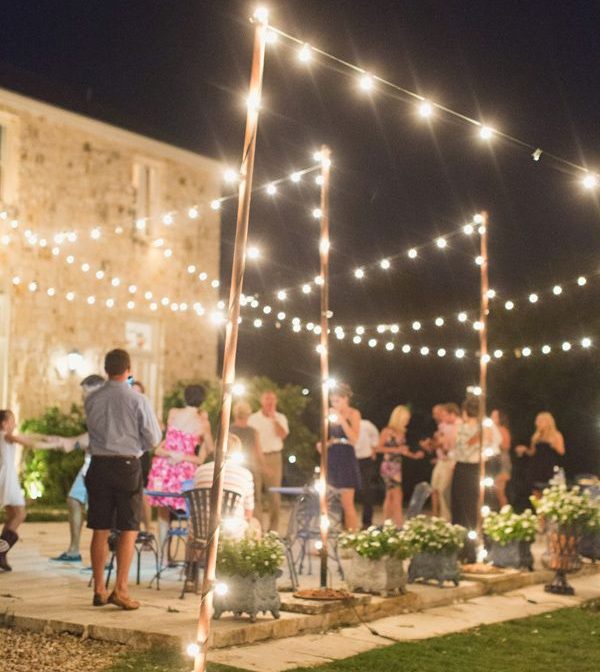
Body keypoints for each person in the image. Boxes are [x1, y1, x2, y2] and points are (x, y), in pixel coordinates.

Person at [84, 348, 162, 610]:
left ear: (106, 369)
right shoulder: (137, 399)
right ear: (128, 370)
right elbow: (153, 438)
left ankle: (99, 589)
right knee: (129, 528)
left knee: (100, 527)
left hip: (98, 464)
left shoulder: (92, 399)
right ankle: (121, 589)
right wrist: (137, 445)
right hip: (127, 465)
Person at [146, 385, 213, 550]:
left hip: (165, 465)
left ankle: (163, 553)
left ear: (185, 397)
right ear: (202, 400)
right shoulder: (202, 422)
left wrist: (172, 453)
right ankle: (190, 552)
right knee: (190, 510)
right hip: (185, 469)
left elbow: (168, 438)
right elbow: (210, 448)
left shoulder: (173, 413)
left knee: (163, 510)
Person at [51, 374, 106, 563]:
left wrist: (71, 442)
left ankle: (104, 560)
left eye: (87, 394)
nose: (84, 399)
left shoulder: (106, 409)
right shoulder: (92, 409)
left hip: (103, 466)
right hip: (89, 463)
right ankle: (74, 550)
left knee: (102, 513)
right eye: (84, 395)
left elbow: (96, 436)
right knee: (74, 499)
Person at [0, 410, 64, 571]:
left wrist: (44, 437)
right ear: (4, 424)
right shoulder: (6, 436)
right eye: (12, 421)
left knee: (12, 516)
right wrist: (54, 445)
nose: (15, 424)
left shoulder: (5, 436)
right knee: (20, 514)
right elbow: (30, 443)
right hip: (8, 480)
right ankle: (1, 551)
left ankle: (2, 554)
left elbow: (28, 436)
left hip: (5, 479)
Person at [193, 434, 257, 539]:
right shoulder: (245, 475)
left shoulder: (200, 471)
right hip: (231, 533)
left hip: (201, 529)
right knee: (255, 525)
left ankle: (194, 550)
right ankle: (240, 550)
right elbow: (248, 512)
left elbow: (196, 502)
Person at [248, 391, 289, 532]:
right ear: (261, 401)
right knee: (255, 494)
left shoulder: (281, 417)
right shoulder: (253, 419)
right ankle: (257, 528)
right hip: (256, 457)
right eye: (267, 399)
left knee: (274, 495)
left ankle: (273, 530)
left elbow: (282, 435)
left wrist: (274, 420)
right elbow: (251, 440)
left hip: (273, 457)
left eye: (272, 399)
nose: (270, 402)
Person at [377, 405, 424, 527]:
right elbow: (378, 448)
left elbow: (402, 451)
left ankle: (387, 523)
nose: (407, 421)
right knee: (397, 495)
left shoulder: (402, 432)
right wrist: (396, 449)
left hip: (397, 466)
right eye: (405, 419)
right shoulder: (387, 431)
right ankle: (399, 525)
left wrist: (414, 455)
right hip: (389, 466)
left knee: (390, 495)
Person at [451, 397, 483, 564]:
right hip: (471, 469)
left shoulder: (464, 427)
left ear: (465, 412)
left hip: (464, 468)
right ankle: (467, 549)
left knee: (460, 509)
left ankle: (463, 549)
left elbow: (459, 448)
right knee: (469, 509)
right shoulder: (481, 428)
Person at [326, 384, 361, 531]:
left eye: (337, 401)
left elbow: (354, 438)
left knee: (347, 503)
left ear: (345, 399)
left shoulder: (354, 414)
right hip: (333, 455)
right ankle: (328, 535)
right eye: (332, 401)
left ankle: (352, 536)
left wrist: (342, 420)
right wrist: (325, 444)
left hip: (346, 456)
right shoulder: (330, 414)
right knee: (326, 500)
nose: (334, 404)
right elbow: (331, 436)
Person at [230, 401, 268, 522]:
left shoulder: (229, 430)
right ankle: (255, 525)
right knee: (254, 499)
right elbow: (258, 451)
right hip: (250, 468)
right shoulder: (252, 432)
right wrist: (264, 466)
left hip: (232, 468)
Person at [517, 412, 565, 497]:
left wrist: (554, 445)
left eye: (540, 421)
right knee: (535, 491)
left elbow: (562, 451)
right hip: (535, 467)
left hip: (548, 466)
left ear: (547, 422)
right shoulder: (536, 436)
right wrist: (524, 449)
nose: (537, 423)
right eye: (537, 421)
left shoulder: (556, 435)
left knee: (547, 491)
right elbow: (532, 452)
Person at [429, 403, 460, 521]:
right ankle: (436, 515)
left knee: (443, 489)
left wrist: (441, 442)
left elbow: (451, 445)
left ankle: (445, 517)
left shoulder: (459, 425)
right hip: (442, 460)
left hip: (450, 461)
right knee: (434, 487)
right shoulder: (445, 426)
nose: (443, 417)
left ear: (452, 414)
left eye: (445, 414)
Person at [131, 380, 154, 535]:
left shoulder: (145, 412)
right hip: (126, 455)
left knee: (142, 492)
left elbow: (153, 436)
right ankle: (133, 529)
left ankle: (148, 529)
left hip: (141, 455)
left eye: (138, 392)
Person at [353, 418, 380, 528]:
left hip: (366, 459)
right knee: (348, 490)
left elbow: (375, 436)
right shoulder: (345, 425)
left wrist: (373, 449)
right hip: (351, 459)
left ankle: (367, 521)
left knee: (367, 489)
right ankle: (346, 520)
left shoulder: (366, 424)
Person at [490, 409, 512, 509]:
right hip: (493, 461)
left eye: (495, 416)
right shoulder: (490, 429)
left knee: (500, 491)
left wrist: (495, 442)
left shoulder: (502, 430)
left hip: (502, 461)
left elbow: (506, 446)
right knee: (494, 491)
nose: (492, 418)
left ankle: (505, 512)